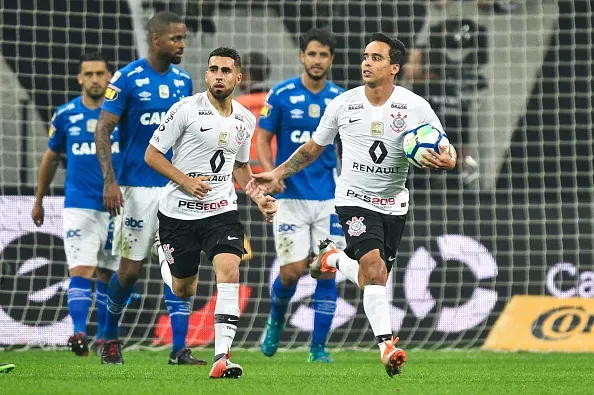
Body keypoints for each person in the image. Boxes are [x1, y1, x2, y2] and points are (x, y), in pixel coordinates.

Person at [249, 33, 457, 377]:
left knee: (371, 277)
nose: (366, 63)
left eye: (376, 58)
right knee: (373, 270)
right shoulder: (344, 103)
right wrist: (277, 172)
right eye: (365, 56)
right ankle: (386, 346)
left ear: (394, 67)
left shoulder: (415, 106)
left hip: (393, 203)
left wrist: (448, 161)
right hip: (352, 199)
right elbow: (313, 149)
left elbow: (444, 146)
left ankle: (330, 258)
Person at [145, 47, 277, 379]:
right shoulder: (185, 110)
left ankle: (221, 358)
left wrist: (259, 196)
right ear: (206, 75)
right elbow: (152, 155)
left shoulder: (246, 118)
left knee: (229, 271)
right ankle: (164, 256)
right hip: (178, 213)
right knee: (184, 289)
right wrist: (186, 181)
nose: (219, 75)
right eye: (213, 69)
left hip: (221, 210)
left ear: (238, 77)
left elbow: (241, 168)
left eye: (226, 70)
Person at [94, 11, 205, 366]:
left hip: (175, 189)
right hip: (136, 190)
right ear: (156, 40)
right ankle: (109, 339)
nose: (182, 45)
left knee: (179, 270)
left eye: (183, 38)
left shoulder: (183, 81)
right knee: (129, 271)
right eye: (176, 38)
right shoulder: (126, 79)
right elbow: (102, 130)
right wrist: (110, 181)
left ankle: (178, 349)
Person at [256, 28, 346, 363]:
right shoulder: (280, 95)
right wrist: (271, 175)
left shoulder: (340, 100)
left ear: (331, 60)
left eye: (324, 55)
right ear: (302, 57)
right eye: (312, 54)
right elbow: (263, 138)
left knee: (326, 269)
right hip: (290, 198)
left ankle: (318, 349)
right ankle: (276, 321)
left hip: (328, 199)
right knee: (292, 270)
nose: (317, 60)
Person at [32, 52, 119, 357]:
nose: (95, 79)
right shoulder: (66, 114)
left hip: (118, 206)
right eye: (89, 74)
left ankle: (105, 338)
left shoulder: (122, 114)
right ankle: (79, 332)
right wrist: (39, 200)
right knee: (81, 268)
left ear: (110, 77)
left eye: (100, 73)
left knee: (110, 274)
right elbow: (51, 157)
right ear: (80, 78)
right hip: (79, 205)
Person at [235, 51, 274, 173]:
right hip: (270, 175)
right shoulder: (274, 102)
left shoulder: (236, 104)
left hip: (241, 177)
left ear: (246, 75)